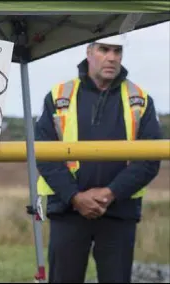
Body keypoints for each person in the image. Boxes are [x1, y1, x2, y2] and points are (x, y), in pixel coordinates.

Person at [35, 34, 162, 283]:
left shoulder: (141, 100)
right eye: (104, 50)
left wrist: (110, 193)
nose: (112, 58)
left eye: (117, 51)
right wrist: (75, 197)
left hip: (118, 211)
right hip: (68, 210)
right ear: (89, 51)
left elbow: (150, 159)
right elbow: (44, 153)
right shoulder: (59, 96)